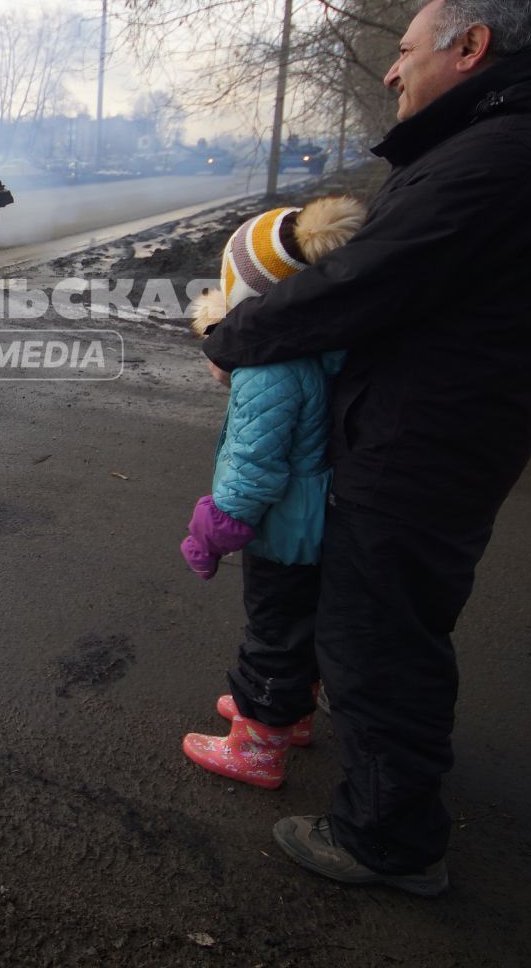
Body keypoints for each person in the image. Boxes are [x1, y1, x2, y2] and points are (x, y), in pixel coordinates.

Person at [202, 0, 531, 896]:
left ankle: (388, 839)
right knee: (376, 622)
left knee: (381, 641)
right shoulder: (516, 143)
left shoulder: (506, 154)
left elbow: (365, 280)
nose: (394, 74)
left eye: (407, 52)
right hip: (433, 430)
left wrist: (235, 337)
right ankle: (357, 766)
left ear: (471, 47)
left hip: (420, 445)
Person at [177, 196, 366, 790]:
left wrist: (217, 525)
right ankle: (291, 715)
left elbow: (255, 463)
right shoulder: (315, 346)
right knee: (298, 624)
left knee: (272, 631)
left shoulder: (268, 363)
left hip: (283, 524)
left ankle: (259, 744)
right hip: (314, 515)